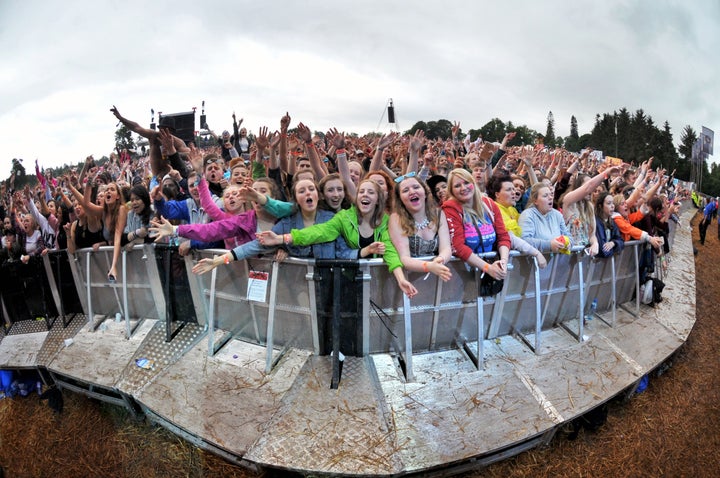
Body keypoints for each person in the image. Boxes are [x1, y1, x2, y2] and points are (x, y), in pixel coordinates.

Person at [257, 178, 417, 298]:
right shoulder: (344, 217)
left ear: (377, 200)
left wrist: (401, 278)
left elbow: (389, 250)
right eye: (361, 191)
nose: (365, 195)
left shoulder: (386, 221)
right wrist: (282, 239)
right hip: (348, 281)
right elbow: (318, 231)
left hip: (378, 281)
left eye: (371, 192)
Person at [190, 178, 355, 275]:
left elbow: (345, 252)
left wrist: (366, 254)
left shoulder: (332, 219)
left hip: (332, 285)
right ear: (295, 199)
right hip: (300, 287)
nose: (307, 193)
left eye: (311, 189)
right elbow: (251, 247)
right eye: (301, 191)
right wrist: (218, 261)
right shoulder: (287, 223)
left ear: (318, 196)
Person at [441, 169, 510, 281]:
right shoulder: (450, 209)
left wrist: (503, 262)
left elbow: (503, 236)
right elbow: (458, 247)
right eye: (457, 186)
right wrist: (487, 268)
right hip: (462, 274)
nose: (463, 188)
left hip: (492, 271)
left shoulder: (489, 204)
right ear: (452, 191)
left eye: (467, 183)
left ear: (473, 183)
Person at [388, 173, 452, 281]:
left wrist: (440, 260)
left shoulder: (438, 214)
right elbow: (404, 258)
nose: (412, 192)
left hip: (435, 278)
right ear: (400, 199)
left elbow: (446, 248)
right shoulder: (396, 219)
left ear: (425, 193)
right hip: (407, 281)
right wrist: (429, 266)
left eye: (416, 187)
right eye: (405, 190)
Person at [519, 183, 572, 253]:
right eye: (545, 196)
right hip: (534, 261)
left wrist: (569, 243)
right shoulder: (527, 215)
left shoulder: (557, 214)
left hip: (558, 261)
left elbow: (568, 236)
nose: (550, 198)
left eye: (550, 195)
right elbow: (524, 240)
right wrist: (549, 245)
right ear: (535, 201)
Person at [594, 192, 625, 258]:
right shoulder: (596, 222)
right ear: (600, 206)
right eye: (609, 203)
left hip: (608, 263)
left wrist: (613, 243)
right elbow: (603, 250)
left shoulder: (612, 222)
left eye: (613, 203)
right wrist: (614, 251)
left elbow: (621, 241)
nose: (612, 206)